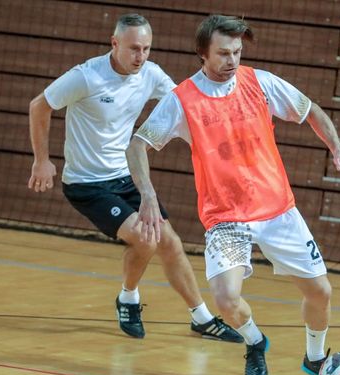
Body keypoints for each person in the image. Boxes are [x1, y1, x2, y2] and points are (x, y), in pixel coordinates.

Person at [126, 15, 340, 375]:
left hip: (278, 211)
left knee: (321, 292)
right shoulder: (182, 99)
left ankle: (315, 358)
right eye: (223, 53)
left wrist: (338, 149)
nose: (232, 60)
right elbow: (138, 145)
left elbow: (310, 110)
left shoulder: (260, 83)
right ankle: (255, 341)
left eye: (237, 52)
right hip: (227, 218)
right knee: (225, 299)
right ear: (203, 53)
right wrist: (148, 195)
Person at [27, 13, 243, 343]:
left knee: (170, 243)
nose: (140, 56)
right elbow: (39, 106)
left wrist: (219, 139)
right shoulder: (86, 77)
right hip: (87, 184)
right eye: (133, 48)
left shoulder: (150, 74)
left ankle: (201, 318)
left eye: (146, 48)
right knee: (146, 238)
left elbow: (185, 106)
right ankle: (128, 299)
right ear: (115, 44)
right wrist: (41, 161)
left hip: (124, 177)